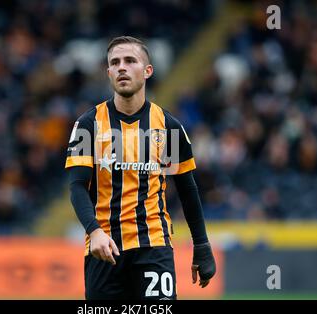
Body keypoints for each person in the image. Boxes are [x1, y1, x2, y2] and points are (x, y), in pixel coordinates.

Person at [65, 36, 216, 300]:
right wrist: (94, 231)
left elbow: (187, 189)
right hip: (104, 248)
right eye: (115, 62)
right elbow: (78, 186)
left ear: (147, 71)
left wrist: (201, 245)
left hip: (153, 246)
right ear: (108, 73)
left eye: (130, 61)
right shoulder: (88, 125)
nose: (122, 67)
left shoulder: (168, 127)